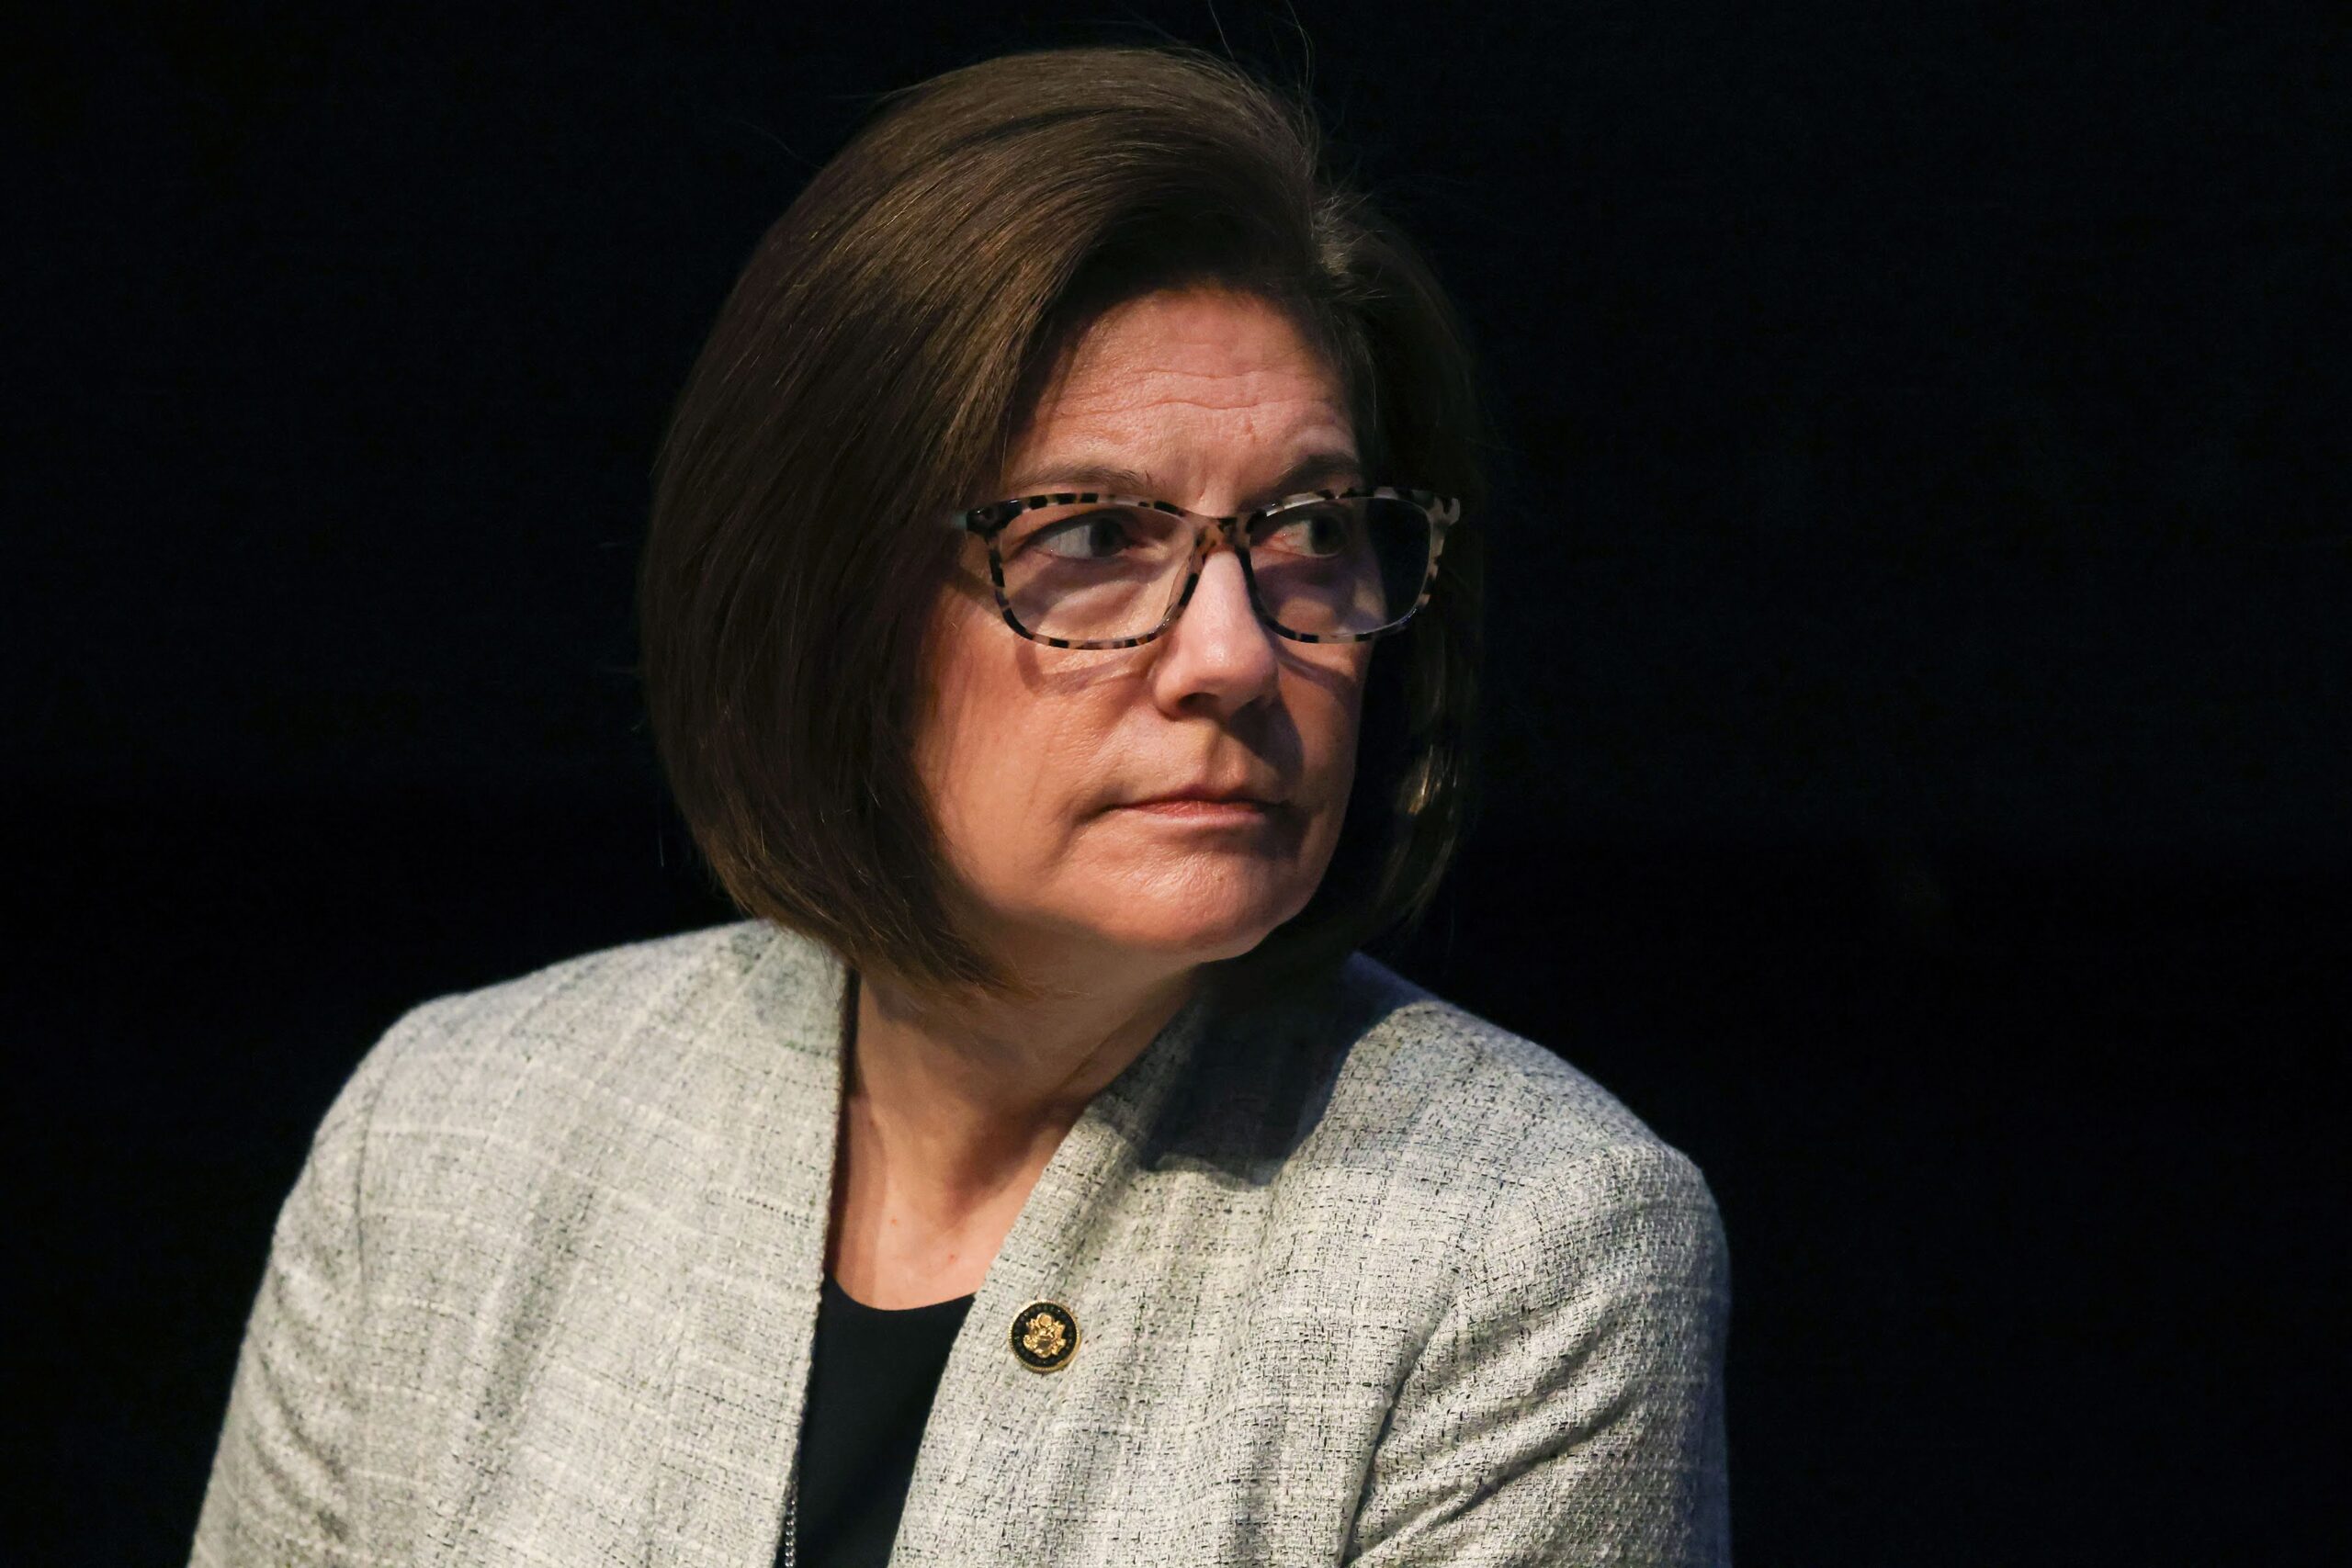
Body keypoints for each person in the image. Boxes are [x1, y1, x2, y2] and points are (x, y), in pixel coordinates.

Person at [189, 40, 1731, 1568]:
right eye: (1095, 532)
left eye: (1312, 529)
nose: (1235, 654)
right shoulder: (455, 1131)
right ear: (821, 604)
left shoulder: (1523, 1247)